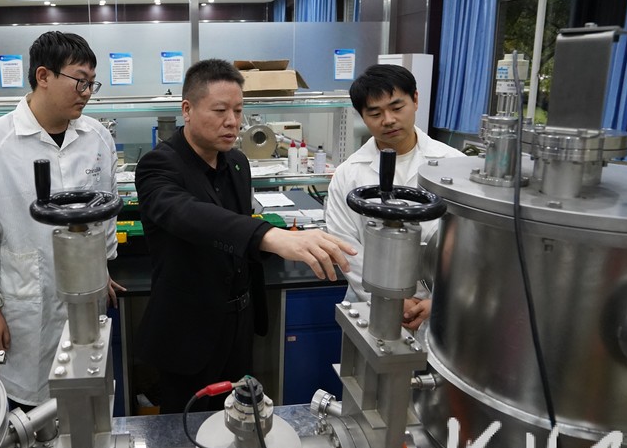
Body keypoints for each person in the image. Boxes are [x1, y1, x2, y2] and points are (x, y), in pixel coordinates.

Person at [135, 59, 354, 413]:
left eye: (238, 110)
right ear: (187, 110)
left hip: (238, 325)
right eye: (220, 110)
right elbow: (189, 215)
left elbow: (235, 229)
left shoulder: (237, 162)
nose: (232, 121)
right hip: (189, 332)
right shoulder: (159, 165)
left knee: (236, 418)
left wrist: (281, 240)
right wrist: (268, 236)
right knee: (186, 427)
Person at [0, 31, 119, 408]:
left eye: (92, 83)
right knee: (30, 410)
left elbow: (105, 215)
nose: (87, 92)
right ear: (43, 76)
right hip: (25, 302)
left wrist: (102, 268)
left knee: (87, 395)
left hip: (86, 295)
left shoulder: (97, 137)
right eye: (80, 80)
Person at [325, 64, 466, 330]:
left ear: (415, 100)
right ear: (361, 116)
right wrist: (388, 296)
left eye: (397, 107)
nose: (388, 120)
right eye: (375, 113)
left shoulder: (454, 165)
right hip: (371, 301)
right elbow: (346, 245)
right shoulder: (348, 173)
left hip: (439, 303)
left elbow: (469, 244)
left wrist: (443, 299)